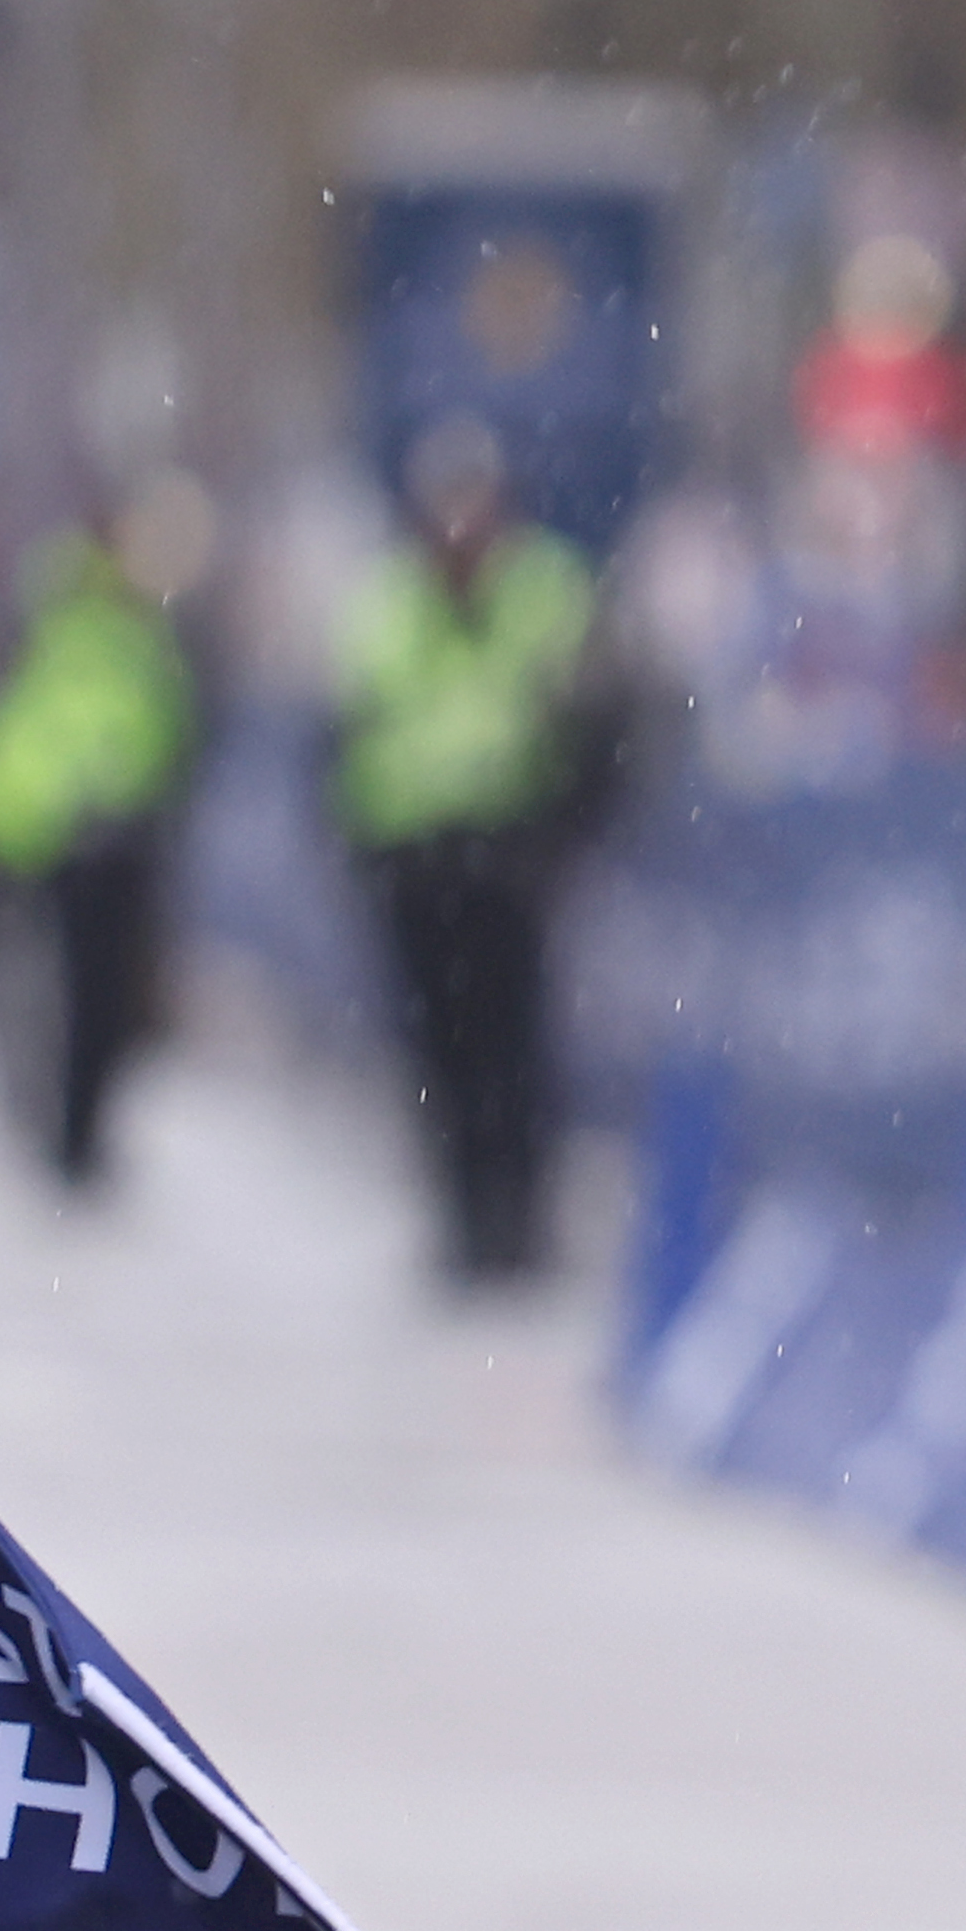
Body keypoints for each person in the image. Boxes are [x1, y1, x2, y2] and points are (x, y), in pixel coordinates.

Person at [333, 418, 607, 1286]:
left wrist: (556, 839)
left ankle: (515, 1223)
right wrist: (368, 850)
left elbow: (596, 728)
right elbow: (343, 737)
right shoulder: (384, 602)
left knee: (511, 1052)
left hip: (507, 863)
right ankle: (460, 1220)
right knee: (439, 1058)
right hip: (417, 865)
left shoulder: (548, 593)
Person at [0, 507, 204, 1192]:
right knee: (80, 994)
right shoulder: (107, 629)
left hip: (86, 836)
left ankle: (74, 1129)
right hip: (62, 836)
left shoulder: (101, 630)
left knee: (93, 996)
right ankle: (69, 1128)